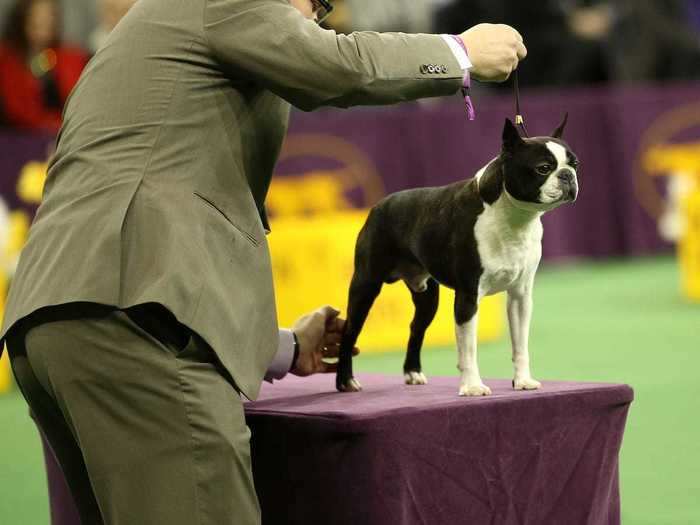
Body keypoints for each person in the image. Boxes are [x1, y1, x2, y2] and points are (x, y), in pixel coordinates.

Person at [1, 0, 526, 523]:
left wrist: (283, 348)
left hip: (57, 320)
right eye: (317, 5)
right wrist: (458, 52)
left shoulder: (159, 27)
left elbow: (148, 203)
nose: (315, 21)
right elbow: (334, 65)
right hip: (133, 325)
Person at [0, 0, 87, 131]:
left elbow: (77, 105)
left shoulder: (67, 57)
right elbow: (17, 110)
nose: (44, 21)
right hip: (17, 137)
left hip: (60, 132)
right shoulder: (7, 59)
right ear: (23, 17)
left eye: (49, 15)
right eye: (37, 15)